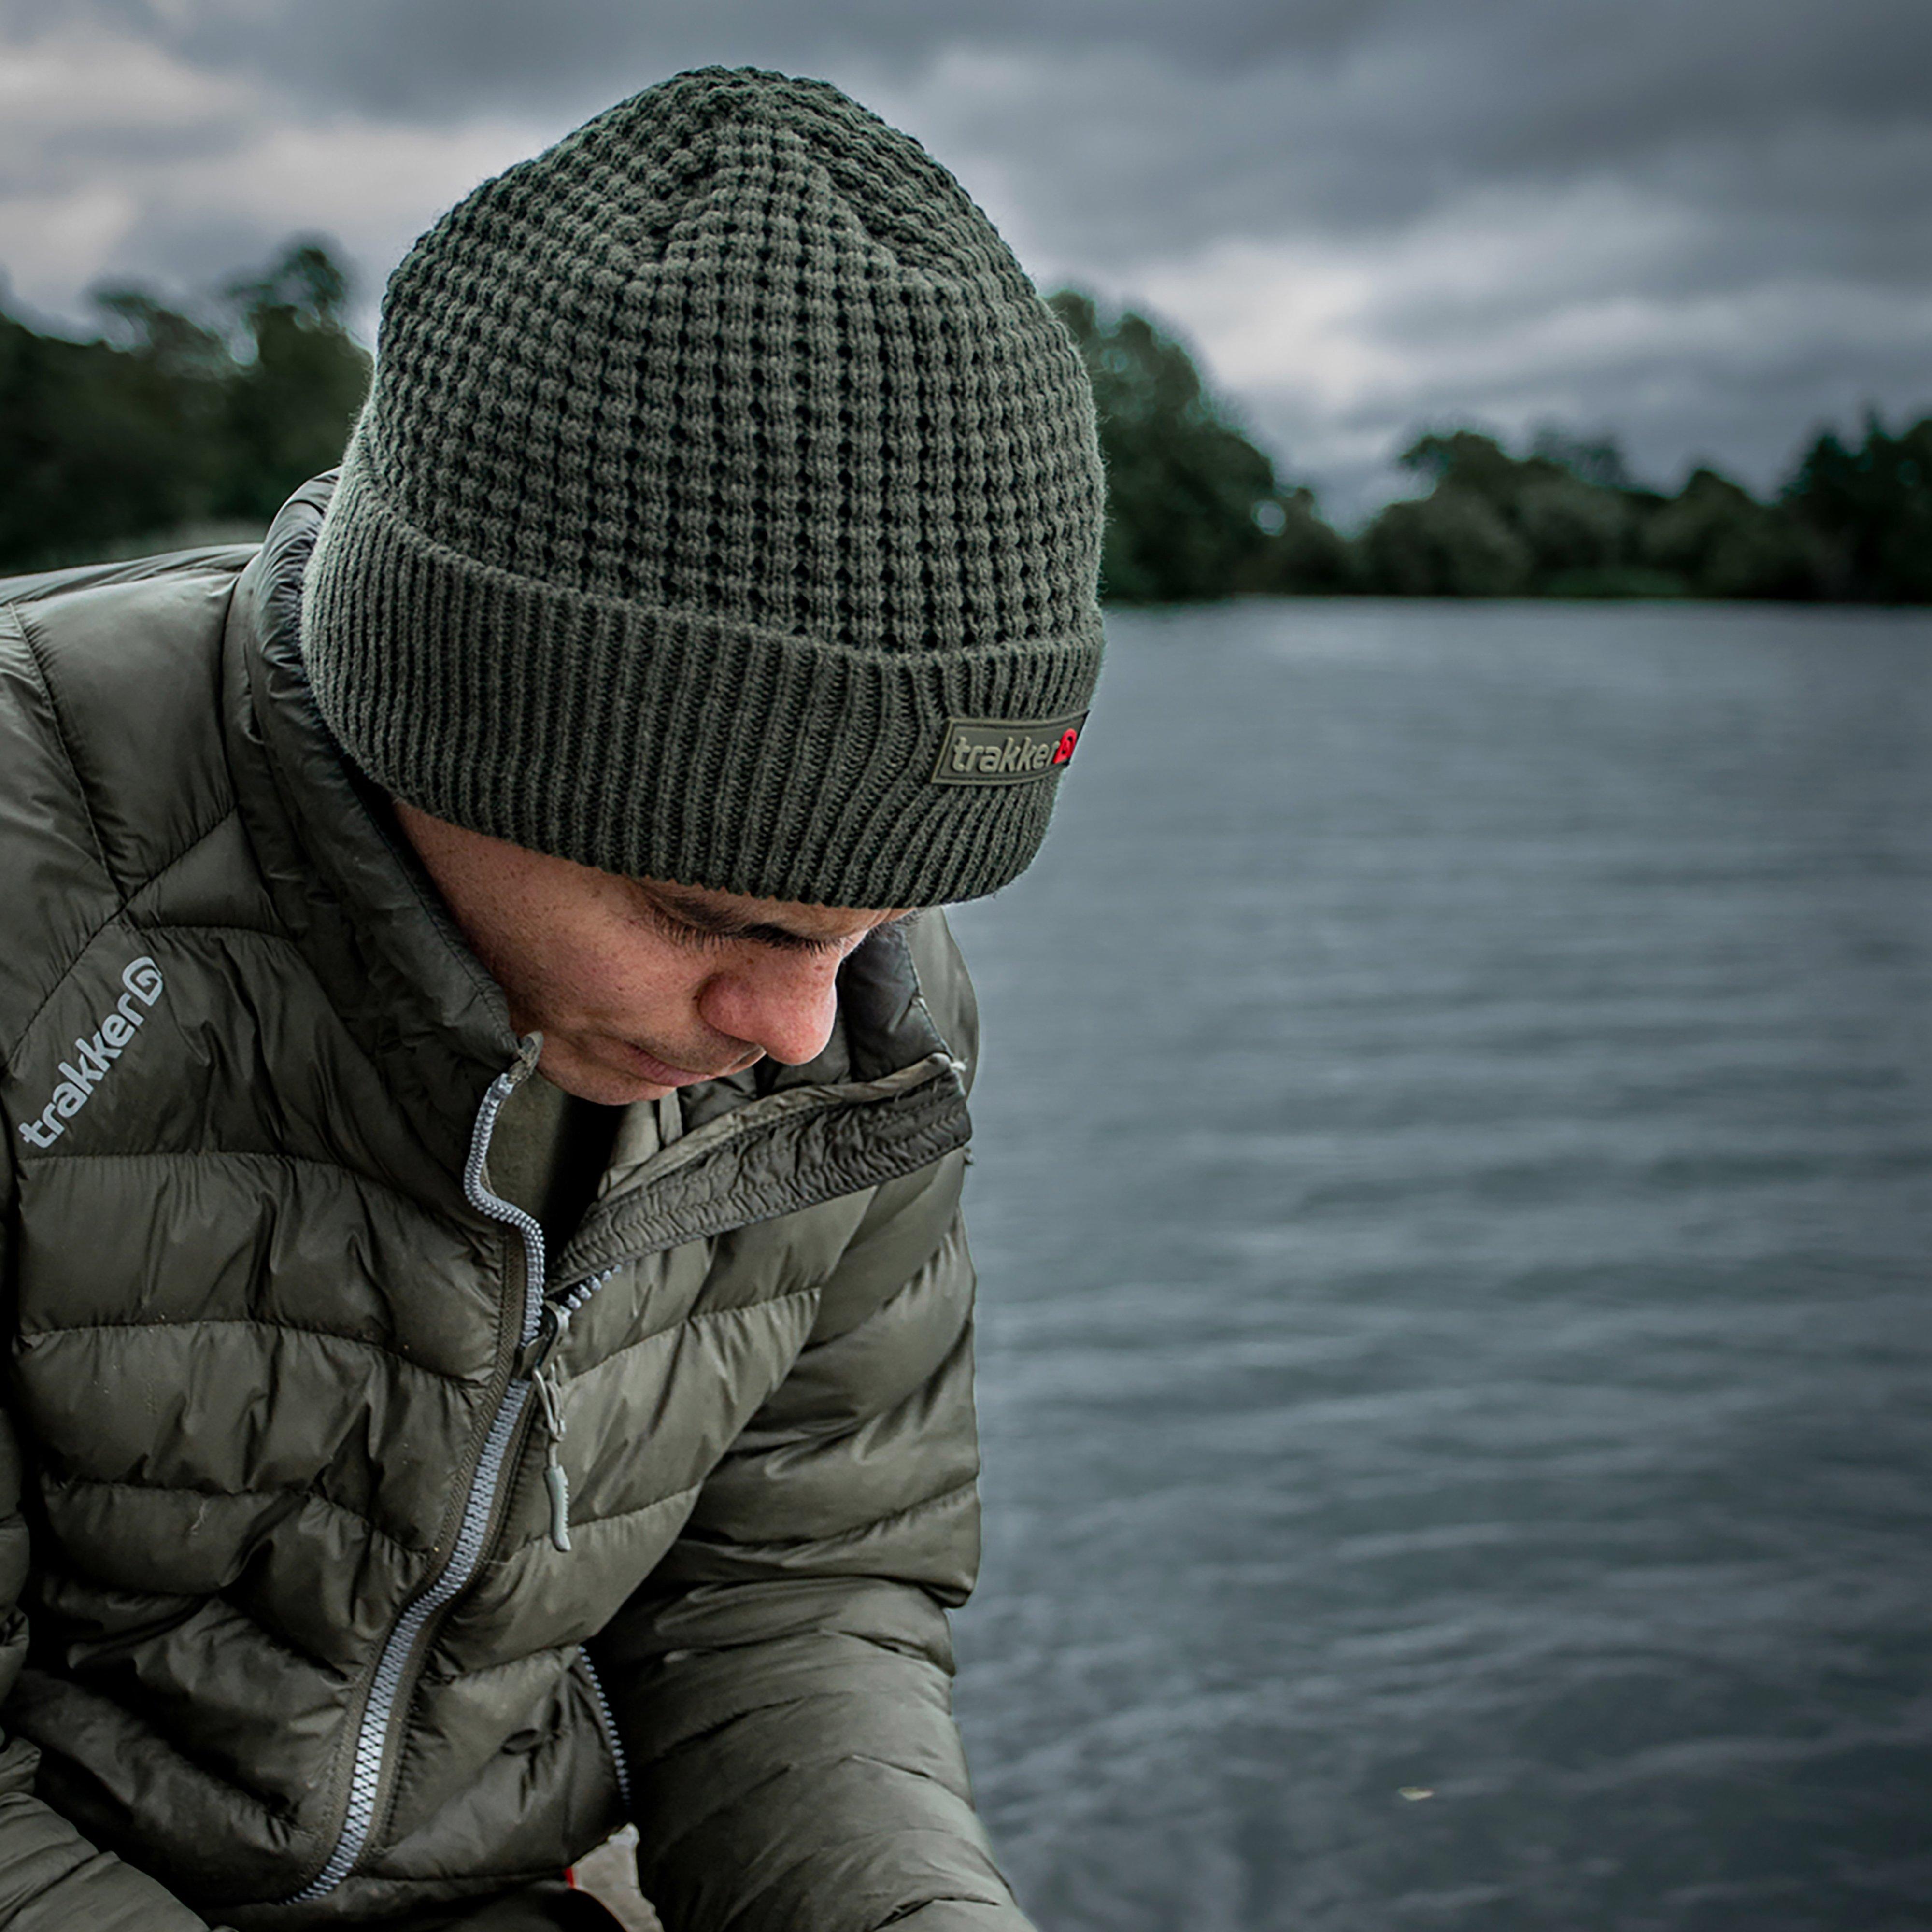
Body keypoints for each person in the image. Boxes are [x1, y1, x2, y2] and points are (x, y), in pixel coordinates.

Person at [0, 66, 1103, 1931]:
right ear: (449, 727)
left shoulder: (851, 990)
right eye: (717, 915)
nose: (801, 1031)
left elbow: (793, 1594)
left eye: (880, 916)